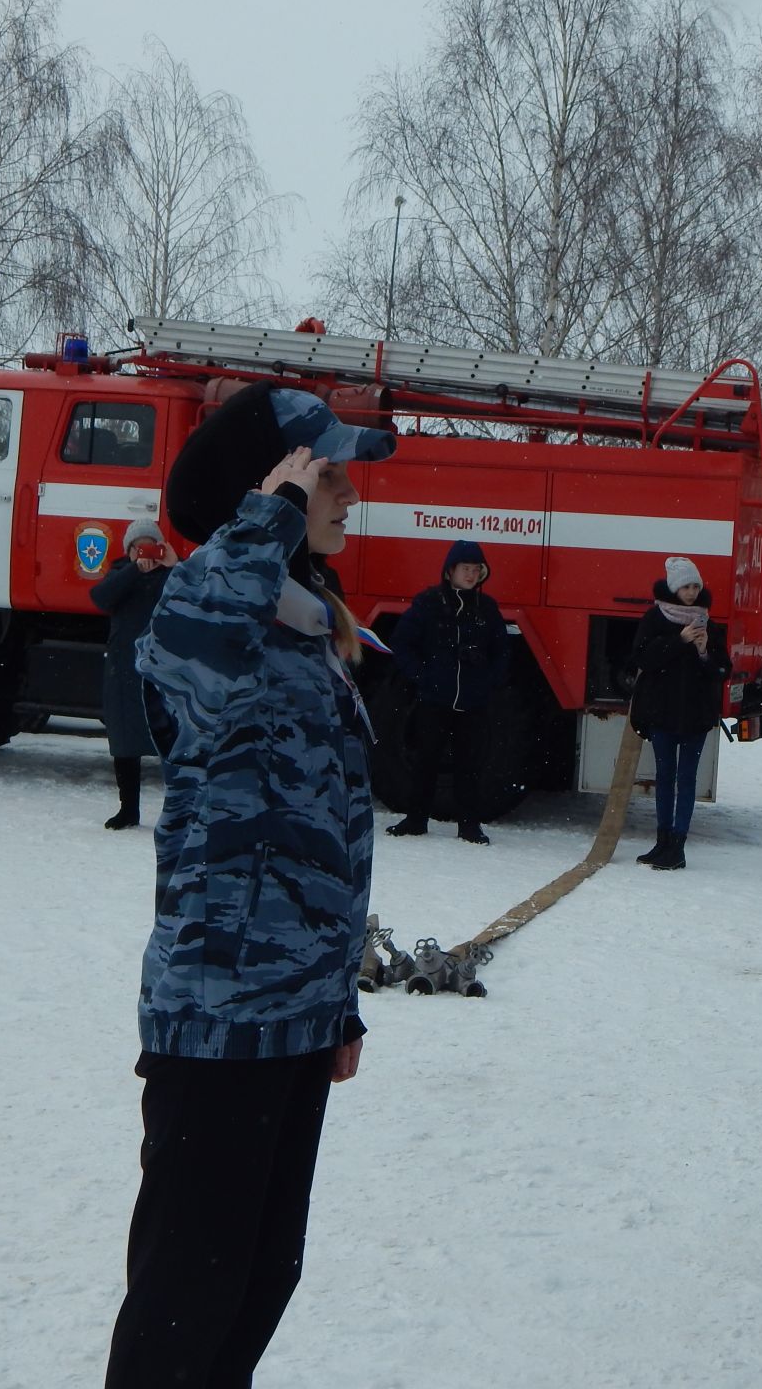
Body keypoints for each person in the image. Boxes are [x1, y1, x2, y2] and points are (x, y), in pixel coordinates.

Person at [105, 381, 395, 1389]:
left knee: (261, 1278)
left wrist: (336, 1005)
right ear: (265, 487)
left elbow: (318, 838)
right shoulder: (202, 611)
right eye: (327, 472)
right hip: (218, 1018)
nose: (348, 492)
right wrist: (266, 512)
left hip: (292, 1017)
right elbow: (191, 649)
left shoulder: (303, 624)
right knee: (187, 1301)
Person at [387, 540, 512, 845]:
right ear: (450, 571)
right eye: (465, 569)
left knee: (469, 764)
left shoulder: (487, 609)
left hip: (473, 702)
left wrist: (489, 678)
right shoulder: (428, 603)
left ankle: (469, 825)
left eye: (476, 570)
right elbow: (401, 643)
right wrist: (421, 675)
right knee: (425, 760)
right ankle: (415, 820)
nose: (470, 575)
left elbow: (503, 651)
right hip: (434, 699)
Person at [628, 555, 730, 871]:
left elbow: (722, 670)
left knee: (686, 779)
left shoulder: (709, 624)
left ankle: (678, 845)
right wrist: (679, 641)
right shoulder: (656, 619)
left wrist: (702, 652)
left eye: (695, 587)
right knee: (664, 777)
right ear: (674, 588)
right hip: (662, 713)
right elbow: (643, 657)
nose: (691, 592)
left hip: (696, 716)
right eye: (686, 586)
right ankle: (661, 841)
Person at [89, 519, 177, 830]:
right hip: (125, 666)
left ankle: (179, 810)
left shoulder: (172, 576)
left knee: (174, 742)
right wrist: (133, 569)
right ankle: (129, 809)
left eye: (151, 544)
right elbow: (100, 598)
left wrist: (174, 565)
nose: (146, 551)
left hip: (164, 668)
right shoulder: (120, 573)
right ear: (128, 550)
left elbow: (197, 595)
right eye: (138, 546)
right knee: (124, 740)